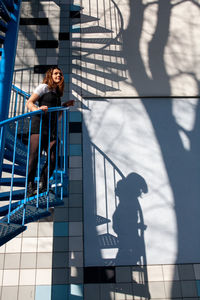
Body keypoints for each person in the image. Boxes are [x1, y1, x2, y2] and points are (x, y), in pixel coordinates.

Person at [26, 67, 74, 196]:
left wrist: (63, 107)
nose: (59, 75)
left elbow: (57, 116)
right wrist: (37, 108)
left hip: (51, 129)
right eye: (56, 73)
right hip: (39, 126)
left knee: (53, 158)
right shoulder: (44, 87)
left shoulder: (57, 94)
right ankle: (30, 186)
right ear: (50, 75)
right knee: (34, 157)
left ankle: (43, 184)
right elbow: (29, 102)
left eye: (60, 74)